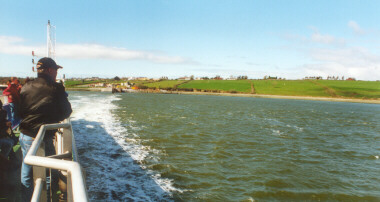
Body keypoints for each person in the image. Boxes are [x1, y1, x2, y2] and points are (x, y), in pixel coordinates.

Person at [18, 57, 72, 202]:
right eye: (56, 70)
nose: (56, 73)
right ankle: (46, 199)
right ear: (49, 70)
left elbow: (19, 112)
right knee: (47, 173)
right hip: (44, 137)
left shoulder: (26, 86)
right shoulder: (56, 88)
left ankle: (26, 199)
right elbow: (66, 112)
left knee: (27, 171)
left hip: (26, 135)